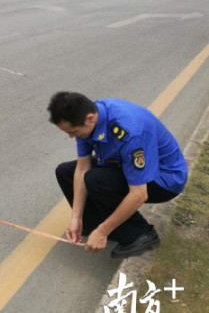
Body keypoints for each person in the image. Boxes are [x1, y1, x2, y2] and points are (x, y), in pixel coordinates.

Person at [48, 92, 187, 259]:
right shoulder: (88, 118)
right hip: (121, 164)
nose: (71, 136)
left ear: (90, 118)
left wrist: (103, 230)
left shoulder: (130, 132)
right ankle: (92, 224)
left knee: (97, 180)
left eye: (73, 131)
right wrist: (76, 217)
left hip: (163, 179)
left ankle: (140, 234)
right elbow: (82, 169)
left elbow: (139, 194)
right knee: (65, 172)